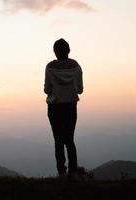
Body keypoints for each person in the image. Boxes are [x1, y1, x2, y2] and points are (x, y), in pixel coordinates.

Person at [44, 38, 83, 176]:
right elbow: (80, 89)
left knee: (58, 141)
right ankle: (73, 171)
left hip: (55, 108)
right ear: (69, 50)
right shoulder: (76, 67)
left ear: (55, 52)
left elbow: (47, 90)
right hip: (70, 107)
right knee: (70, 140)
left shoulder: (49, 67)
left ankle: (61, 172)